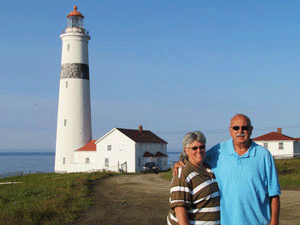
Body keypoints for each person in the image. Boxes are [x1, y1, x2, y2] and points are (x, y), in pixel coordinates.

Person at [173, 114, 281, 225]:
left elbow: (274, 195)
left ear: (251, 129)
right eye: (236, 128)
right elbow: (197, 157)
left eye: (245, 128)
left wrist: (274, 222)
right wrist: (181, 163)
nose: (240, 131)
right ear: (230, 130)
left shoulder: (264, 155)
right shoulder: (218, 151)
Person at [167, 131, 220, 225]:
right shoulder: (182, 173)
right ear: (186, 150)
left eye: (202, 147)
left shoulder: (208, 168)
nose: (199, 151)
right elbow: (180, 209)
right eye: (194, 148)